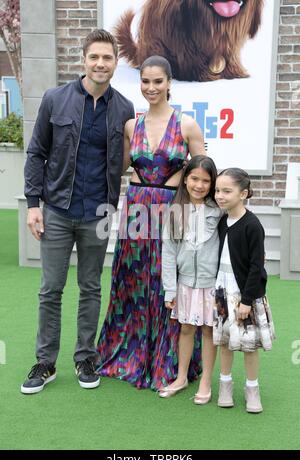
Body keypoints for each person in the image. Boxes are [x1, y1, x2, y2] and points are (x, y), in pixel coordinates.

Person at [21, 29, 135, 394]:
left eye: (107, 58)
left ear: (116, 63)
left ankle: (86, 357)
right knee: (50, 289)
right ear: (83, 59)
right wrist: (33, 205)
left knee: (90, 288)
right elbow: (36, 152)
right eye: (94, 57)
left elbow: (128, 160)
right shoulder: (55, 99)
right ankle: (45, 362)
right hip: (56, 209)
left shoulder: (124, 108)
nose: (100, 63)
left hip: (98, 212)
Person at [96, 55, 206, 390]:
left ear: (170, 83)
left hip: (172, 211)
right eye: (145, 81)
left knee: (168, 283)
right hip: (137, 212)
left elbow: (203, 173)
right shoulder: (133, 125)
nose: (151, 87)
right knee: (132, 282)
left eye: (158, 81)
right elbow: (121, 166)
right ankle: (131, 353)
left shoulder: (187, 125)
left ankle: (171, 360)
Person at [159, 156, 222, 403]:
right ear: (185, 180)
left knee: (208, 331)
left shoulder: (218, 211)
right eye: (195, 178)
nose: (199, 185)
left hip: (211, 285)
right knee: (186, 329)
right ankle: (181, 377)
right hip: (184, 284)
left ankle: (206, 381)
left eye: (206, 180)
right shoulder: (175, 212)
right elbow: (168, 252)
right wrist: (169, 290)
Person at [213, 168, 276, 413]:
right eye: (218, 190)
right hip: (222, 290)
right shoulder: (221, 221)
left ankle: (252, 390)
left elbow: (256, 265)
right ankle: (225, 385)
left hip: (245, 294)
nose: (220, 195)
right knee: (226, 342)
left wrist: (247, 300)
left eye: (227, 191)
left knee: (249, 345)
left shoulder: (252, 225)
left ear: (244, 193)